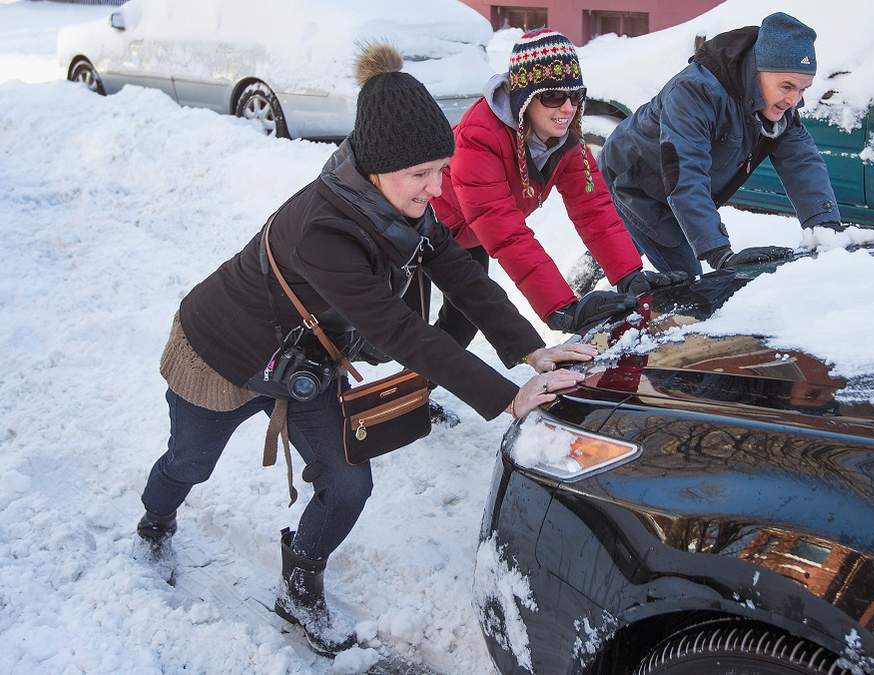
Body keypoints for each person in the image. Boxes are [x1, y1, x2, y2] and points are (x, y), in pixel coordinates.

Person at [133, 43, 594, 656]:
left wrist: (532, 351)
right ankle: (153, 524)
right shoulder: (322, 228)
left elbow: (464, 277)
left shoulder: (400, 204)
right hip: (221, 352)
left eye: (440, 170)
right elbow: (404, 332)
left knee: (348, 486)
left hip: (304, 362)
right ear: (377, 169)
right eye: (421, 176)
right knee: (191, 462)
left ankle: (299, 587)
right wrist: (508, 399)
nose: (437, 189)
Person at [430, 29, 689, 336]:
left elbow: (594, 210)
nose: (567, 108)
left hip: (473, 235)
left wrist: (629, 274)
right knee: (392, 332)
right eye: (553, 96)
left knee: (460, 326)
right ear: (524, 98)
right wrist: (561, 307)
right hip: (425, 223)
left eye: (575, 95)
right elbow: (505, 230)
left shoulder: (566, 140)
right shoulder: (479, 138)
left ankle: (416, 384)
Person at [603, 12, 844, 276]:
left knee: (620, 243)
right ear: (758, 70)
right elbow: (686, 173)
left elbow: (802, 163)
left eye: (803, 89)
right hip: (635, 183)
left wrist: (825, 227)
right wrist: (720, 253)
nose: (794, 100)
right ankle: (587, 283)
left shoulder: (776, 109)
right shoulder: (696, 92)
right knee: (689, 284)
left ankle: (598, 258)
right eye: (787, 86)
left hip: (670, 188)